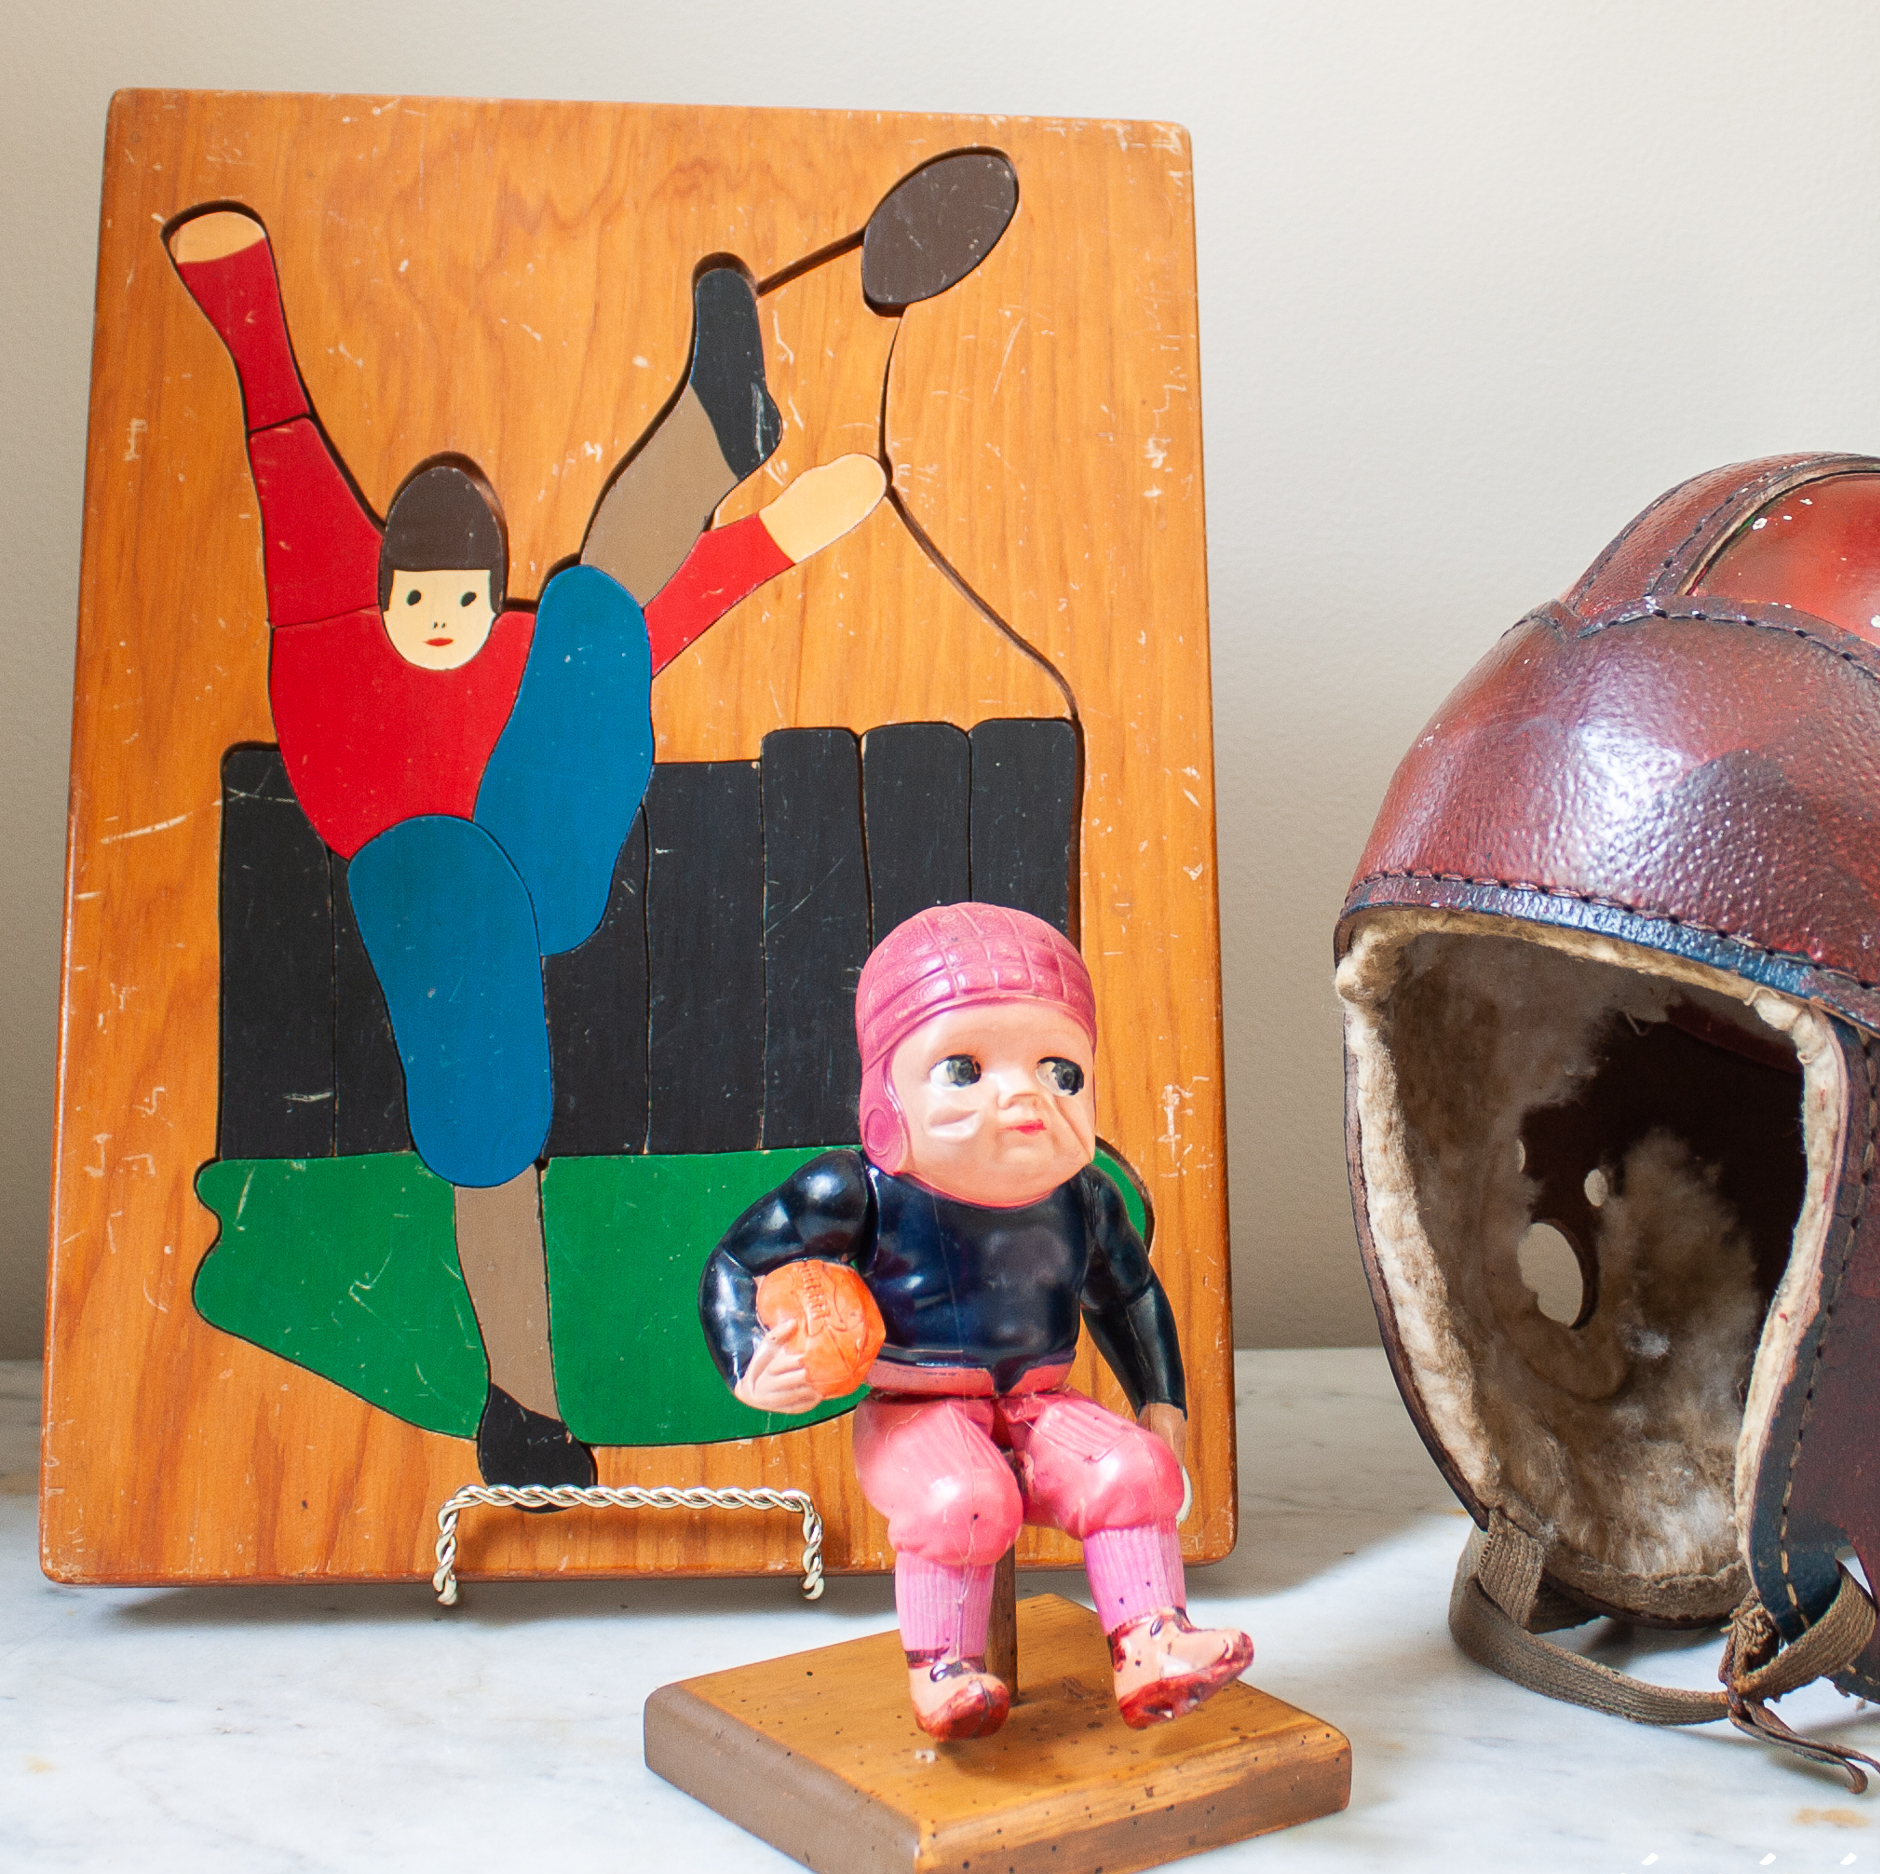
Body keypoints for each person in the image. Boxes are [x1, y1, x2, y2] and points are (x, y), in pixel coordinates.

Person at [168, 205, 887, 1485]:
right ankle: (525, 1404)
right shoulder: (336, 650)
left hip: (543, 849)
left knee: (588, 610)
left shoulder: (512, 648)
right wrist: (243, 304)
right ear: (380, 590)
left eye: (460, 594)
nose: (441, 620)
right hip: (425, 879)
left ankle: (720, 435)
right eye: (417, 597)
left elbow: (638, 635)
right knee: (483, 1086)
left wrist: (786, 535)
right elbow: (285, 457)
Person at [700, 903, 1253, 1739]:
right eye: (965, 1067)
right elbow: (739, 1262)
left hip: (1038, 1402)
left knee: (1134, 1472)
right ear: (886, 1092)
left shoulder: (1084, 1199)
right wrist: (749, 1354)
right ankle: (942, 1667)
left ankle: (1152, 1642)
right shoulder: (856, 1192)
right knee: (965, 1498)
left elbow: (1128, 1296)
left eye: (1059, 1070)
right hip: (915, 1411)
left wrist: (1160, 1401)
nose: (1024, 1096)